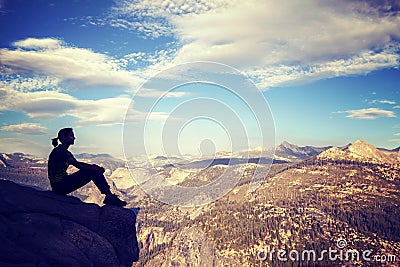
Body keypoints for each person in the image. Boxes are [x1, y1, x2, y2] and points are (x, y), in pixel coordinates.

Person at [48, 128, 127, 207]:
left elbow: (79, 164)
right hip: (60, 186)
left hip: (61, 184)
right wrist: (95, 168)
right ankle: (109, 196)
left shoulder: (64, 152)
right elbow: (78, 165)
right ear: (64, 138)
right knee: (93, 171)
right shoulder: (60, 152)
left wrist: (93, 167)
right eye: (71, 136)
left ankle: (109, 196)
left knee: (92, 170)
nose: (74, 138)